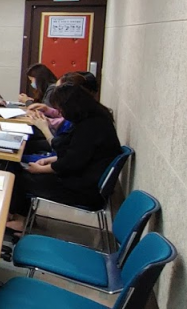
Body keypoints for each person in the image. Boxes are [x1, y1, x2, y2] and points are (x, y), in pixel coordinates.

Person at [9, 83, 120, 232]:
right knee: (21, 171)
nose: (60, 112)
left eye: (61, 109)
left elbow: (70, 163)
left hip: (85, 190)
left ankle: (22, 221)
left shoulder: (90, 127)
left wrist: (40, 169)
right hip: (85, 178)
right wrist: (50, 160)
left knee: (18, 178)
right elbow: (77, 154)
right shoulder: (95, 118)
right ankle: (19, 216)